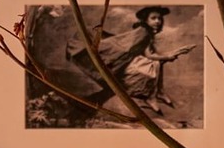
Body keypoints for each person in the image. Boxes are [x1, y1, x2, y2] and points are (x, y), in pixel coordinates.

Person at [66, 6, 195, 114]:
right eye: (153, 18)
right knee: (152, 65)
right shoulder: (143, 32)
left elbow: (148, 53)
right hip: (126, 61)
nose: (158, 21)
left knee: (156, 63)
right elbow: (140, 52)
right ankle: (150, 96)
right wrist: (168, 56)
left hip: (131, 59)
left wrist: (174, 53)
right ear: (146, 20)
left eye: (160, 19)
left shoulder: (147, 33)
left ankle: (158, 93)